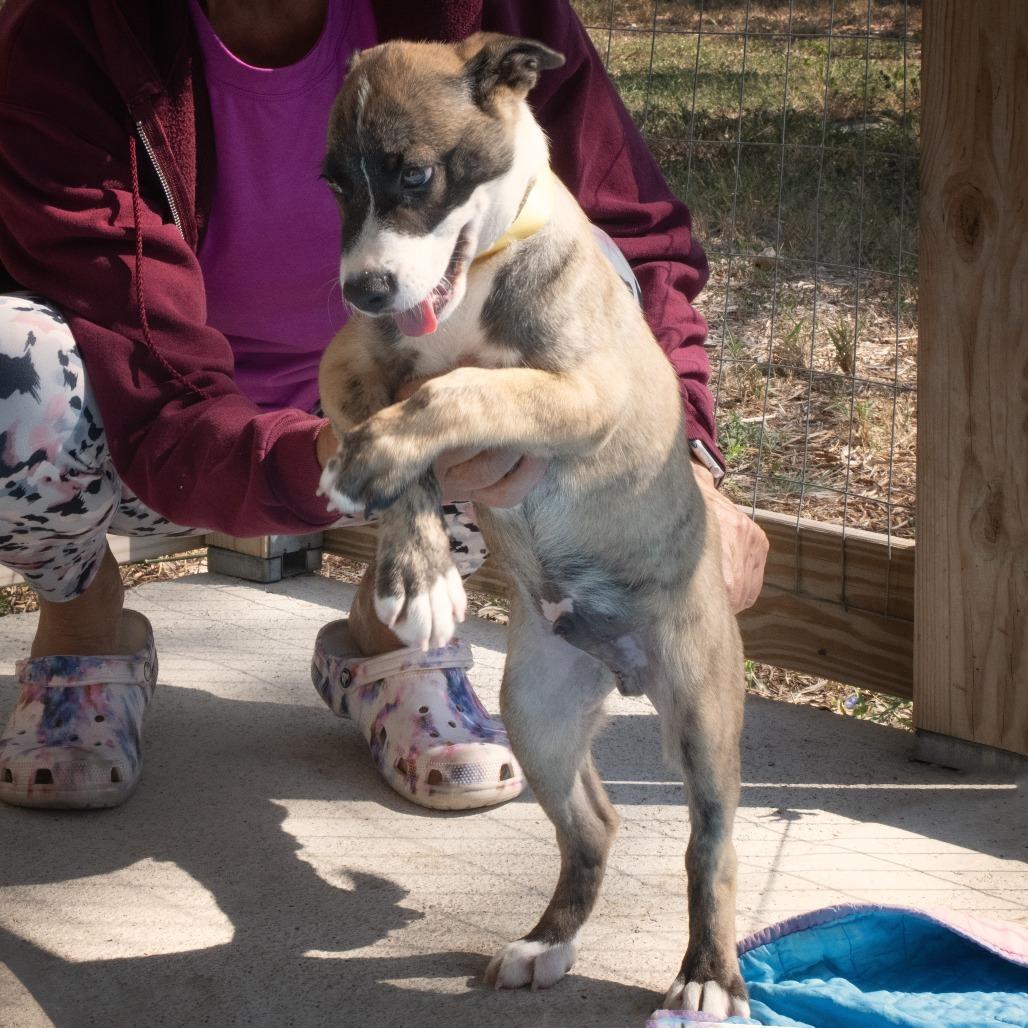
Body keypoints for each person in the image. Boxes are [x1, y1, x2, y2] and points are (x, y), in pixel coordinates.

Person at [0, 0, 768, 810]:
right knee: (13, 365)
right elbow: (149, 377)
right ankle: (82, 622)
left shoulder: (485, 15)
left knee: (539, 371)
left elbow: (630, 234)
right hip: (147, 428)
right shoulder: (67, 32)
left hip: (415, 393)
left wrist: (684, 470)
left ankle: (395, 642)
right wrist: (342, 455)